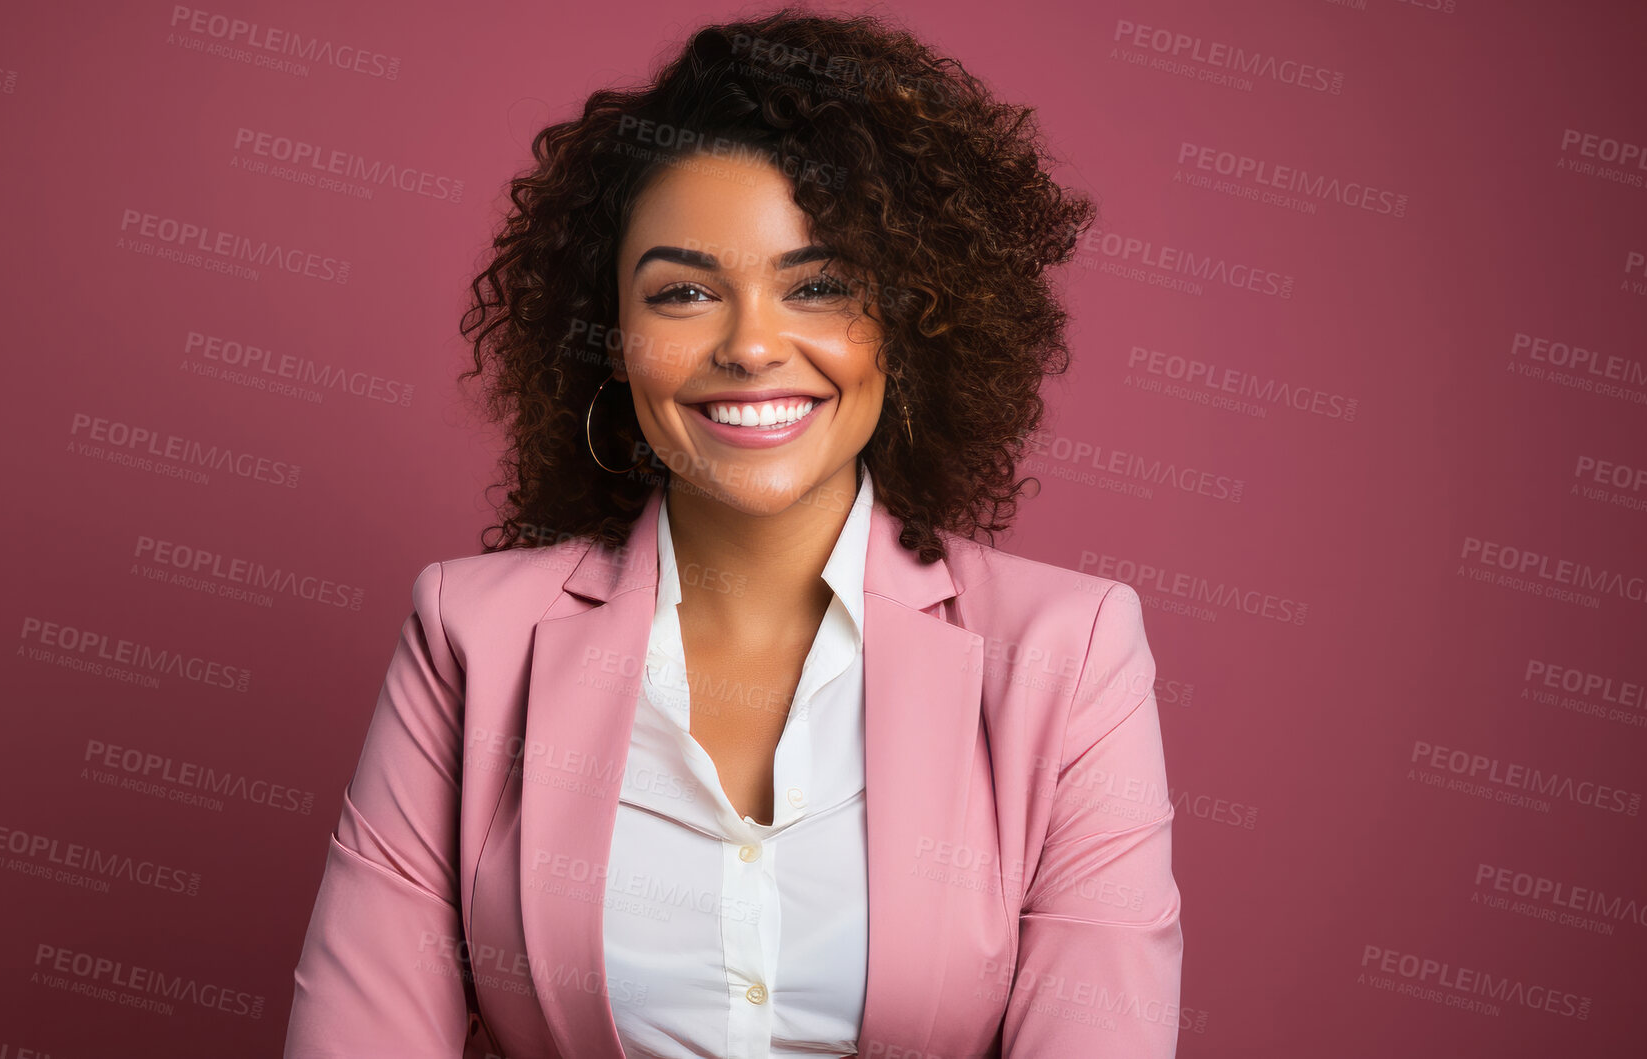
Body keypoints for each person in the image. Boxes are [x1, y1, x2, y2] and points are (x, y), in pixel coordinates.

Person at [286, 7, 1181, 1057]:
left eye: (816, 286)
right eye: (682, 293)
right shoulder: (468, 639)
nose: (751, 345)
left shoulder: (1066, 655)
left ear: (911, 318)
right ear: (610, 340)